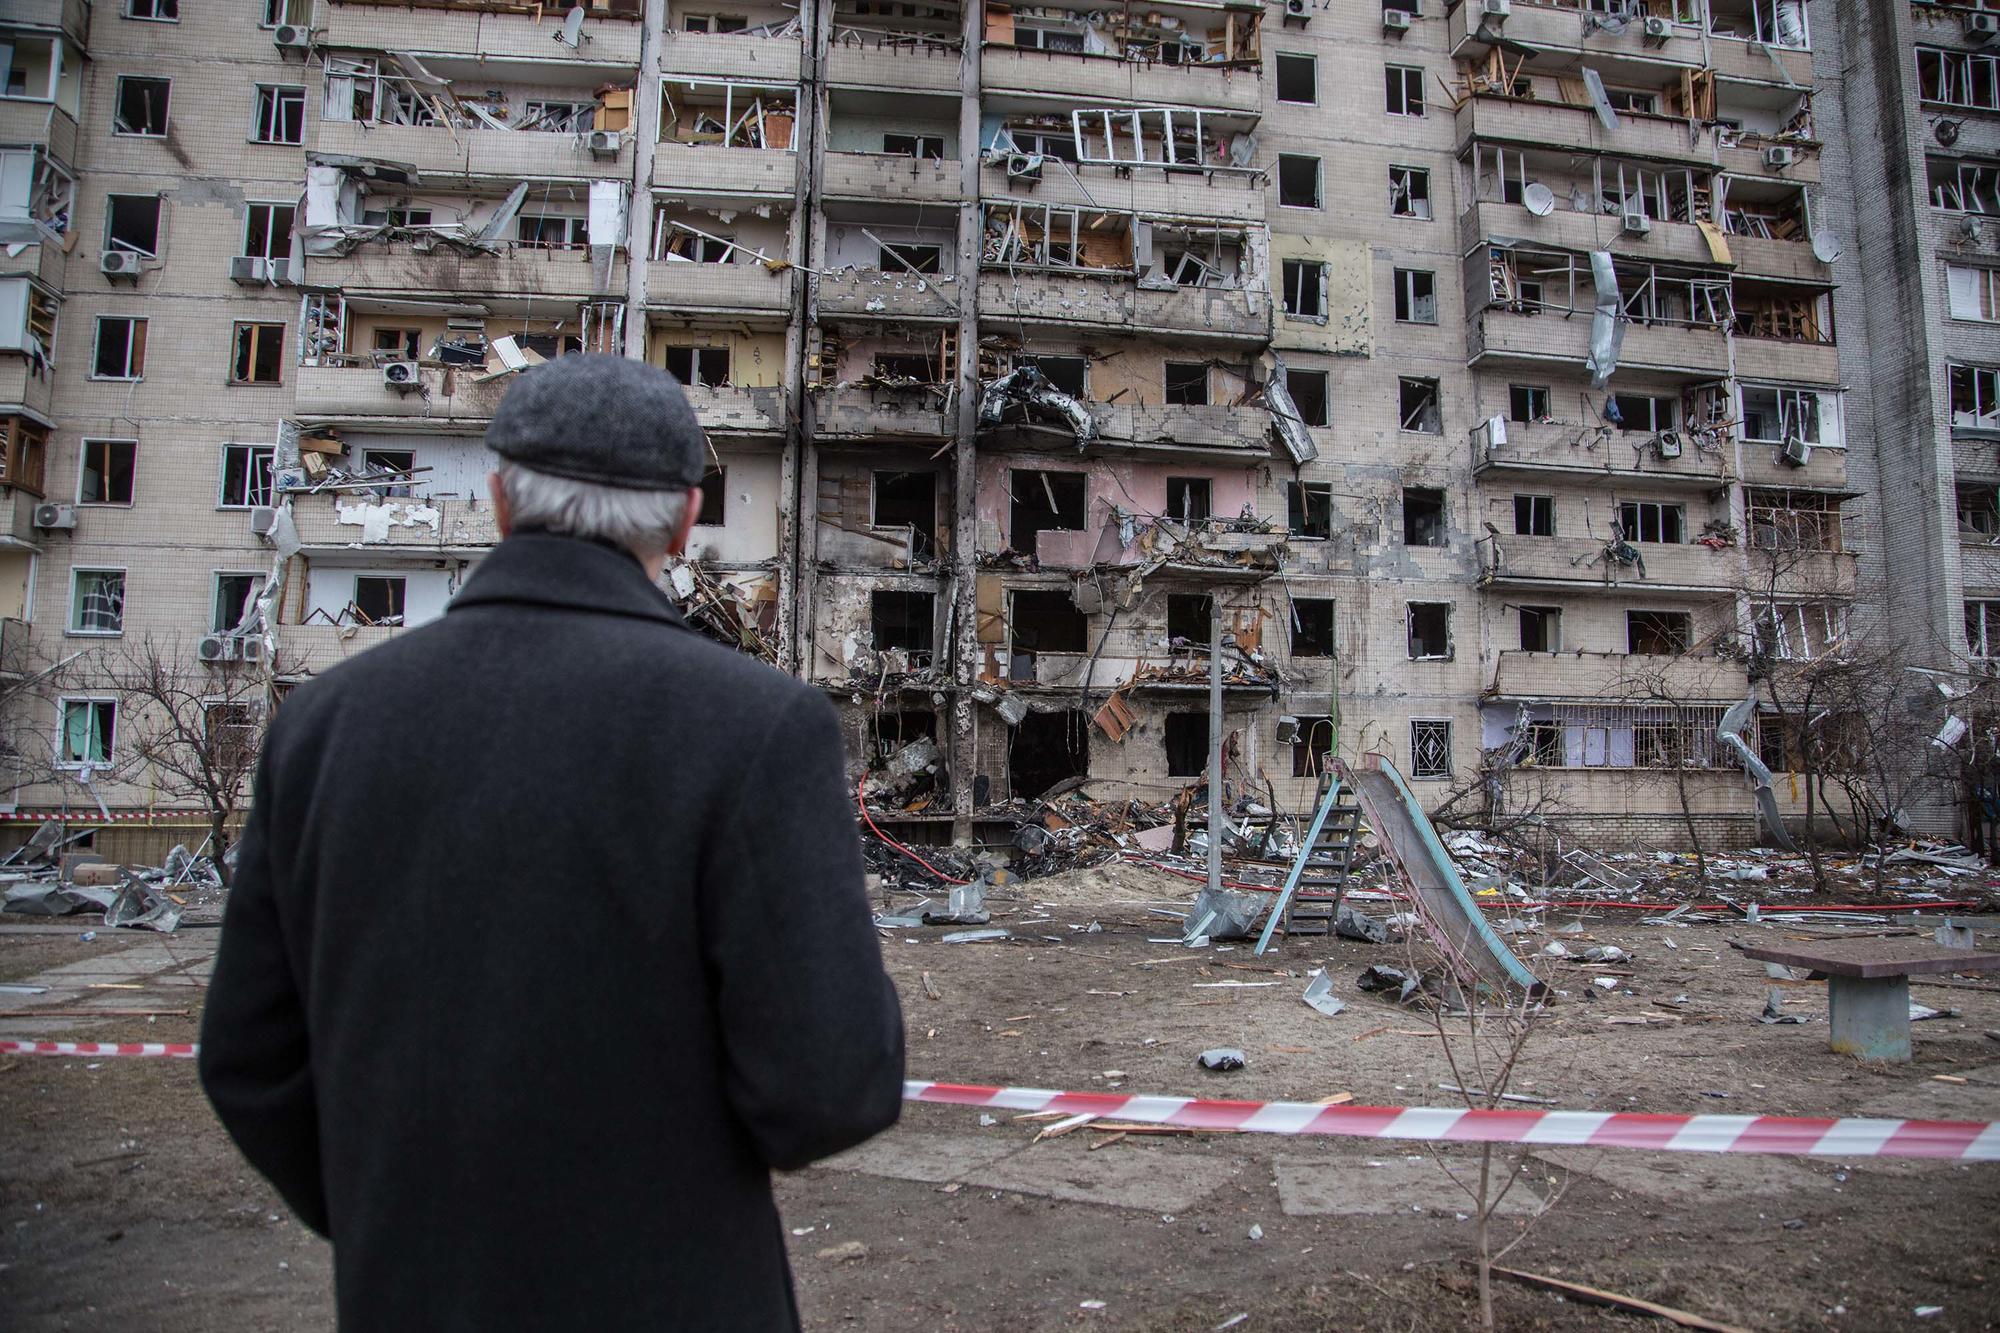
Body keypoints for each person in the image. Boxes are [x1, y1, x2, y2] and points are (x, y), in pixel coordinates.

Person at [200, 355, 906, 1331]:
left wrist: (395, 1215)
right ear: (684, 517)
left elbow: (247, 1057)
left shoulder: (323, 723)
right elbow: (832, 1087)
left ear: (498, 502)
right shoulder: (755, 726)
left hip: (409, 1294)